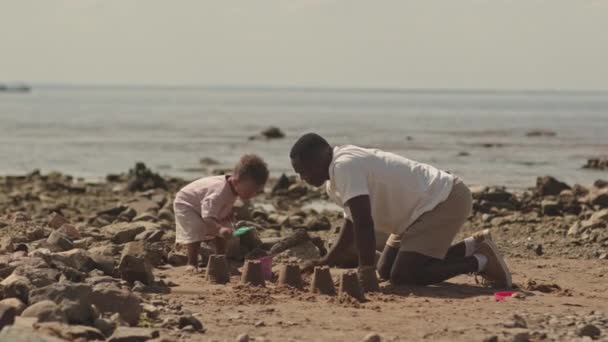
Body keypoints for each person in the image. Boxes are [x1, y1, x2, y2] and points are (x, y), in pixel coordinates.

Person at [290, 133, 511, 288]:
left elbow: (365, 223)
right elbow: (352, 223)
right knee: (386, 270)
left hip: (443, 200)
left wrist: (365, 271)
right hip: (415, 213)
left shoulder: (344, 166)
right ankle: (474, 245)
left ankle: (481, 260)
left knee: (404, 275)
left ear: (319, 158)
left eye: (304, 170)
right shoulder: (334, 182)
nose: (303, 178)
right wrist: (326, 260)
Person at [173, 154, 269, 272]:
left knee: (226, 224)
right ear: (237, 180)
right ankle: (192, 262)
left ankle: (220, 258)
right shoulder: (219, 192)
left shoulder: (233, 188)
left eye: (257, 191)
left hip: (201, 204)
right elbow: (207, 217)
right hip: (186, 203)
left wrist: (226, 214)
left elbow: (223, 203)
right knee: (196, 227)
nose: (253, 194)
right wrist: (219, 229)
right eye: (252, 190)